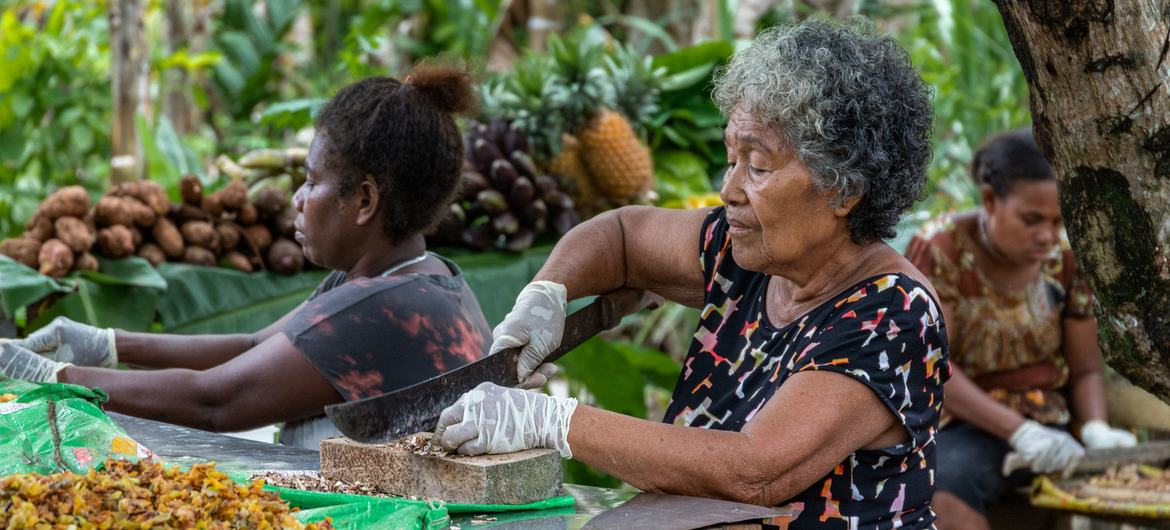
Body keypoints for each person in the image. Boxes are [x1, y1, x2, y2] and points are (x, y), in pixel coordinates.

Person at [434, 20, 948, 528]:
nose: (729, 189)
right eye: (731, 159)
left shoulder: (893, 314)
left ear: (843, 189)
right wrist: (547, 293)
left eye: (758, 167)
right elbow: (621, 236)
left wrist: (551, 421)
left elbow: (754, 471)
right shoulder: (747, 253)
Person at [0, 66, 491, 450]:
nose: (297, 199)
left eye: (311, 181)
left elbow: (215, 401)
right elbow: (258, 342)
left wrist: (54, 377)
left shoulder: (386, 308)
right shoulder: (419, 275)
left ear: (364, 201)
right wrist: (109, 343)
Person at [904, 130, 1135, 530]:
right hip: (965, 423)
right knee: (943, 492)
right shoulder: (943, 250)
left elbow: (1084, 370)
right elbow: (933, 369)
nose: (1046, 235)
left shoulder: (1065, 257)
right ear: (991, 200)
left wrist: (1096, 428)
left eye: (1057, 221)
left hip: (1050, 428)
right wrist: (1019, 431)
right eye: (1031, 220)